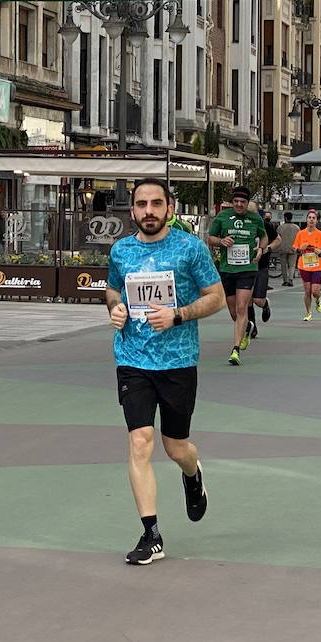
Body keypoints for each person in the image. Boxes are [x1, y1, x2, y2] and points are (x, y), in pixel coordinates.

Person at [106, 180, 225, 566]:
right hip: (132, 359)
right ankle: (151, 534)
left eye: (157, 203)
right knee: (140, 441)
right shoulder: (121, 250)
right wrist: (116, 309)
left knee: (176, 447)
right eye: (142, 204)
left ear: (169, 208)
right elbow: (112, 291)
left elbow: (217, 299)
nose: (149, 210)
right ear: (133, 211)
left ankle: (193, 474)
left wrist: (178, 314)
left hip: (177, 362)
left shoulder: (190, 249)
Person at [206, 186, 267, 366]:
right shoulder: (223, 218)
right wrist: (221, 241)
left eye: (243, 202)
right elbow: (210, 238)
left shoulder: (255, 219)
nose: (239, 205)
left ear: (248, 203)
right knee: (233, 312)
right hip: (227, 269)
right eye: (236, 202)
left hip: (247, 269)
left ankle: (235, 350)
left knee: (242, 308)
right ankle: (246, 327)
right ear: (232, 202)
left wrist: (261, 249)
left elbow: (263, 238)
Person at [247, 210, 282, 340]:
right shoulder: (239, 225)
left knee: (257, 300)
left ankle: (265, 304)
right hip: (245, 268)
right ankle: (252, 327)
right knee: (247, 300)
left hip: (261, 266)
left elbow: (278, 240)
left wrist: (267, 248)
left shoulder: (265, 226)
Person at [293, 209, 321, 320]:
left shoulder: (320, 234)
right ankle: (308, 313)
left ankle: (318, 299)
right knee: (307, 291)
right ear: (306, 220)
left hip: (316, 266)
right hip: (304, 265)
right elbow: (295, 248)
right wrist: (300, 249)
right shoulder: (300, 234)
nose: (311, 220)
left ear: (316, 221)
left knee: (315, 291)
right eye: (309, 218)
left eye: (313, 218)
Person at [277, 211, 301, 286]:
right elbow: (299, 238)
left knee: (283, 265)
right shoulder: (297, 228)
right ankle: (291, 279)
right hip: (293, 248)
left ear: (285, 218)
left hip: (283, 248)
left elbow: (277, 238)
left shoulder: (280, 227)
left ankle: (285, 280)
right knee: (292, 265)